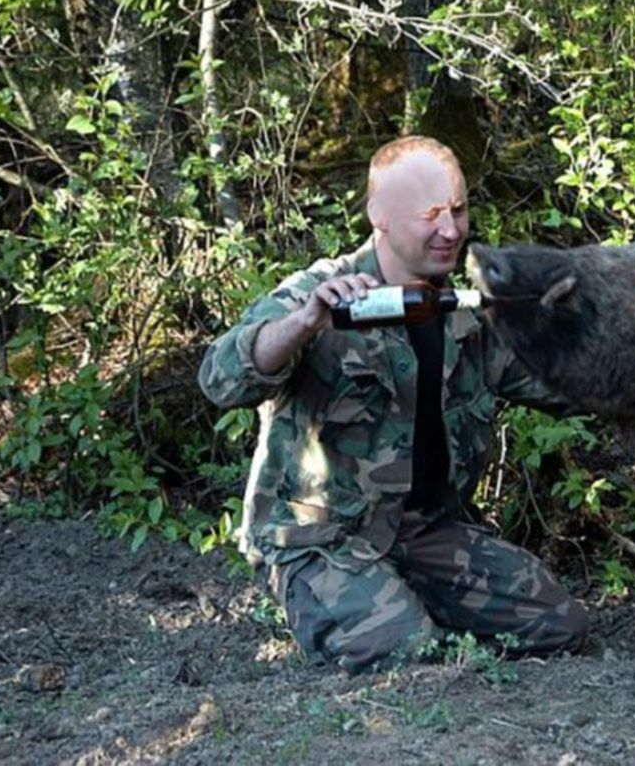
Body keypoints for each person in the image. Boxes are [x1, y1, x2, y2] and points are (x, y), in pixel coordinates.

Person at [198, 136, 588, 673]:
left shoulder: (467, 311)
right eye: (430, 215)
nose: (450, 230)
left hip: (422, 532)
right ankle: (342, 604)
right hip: (320, 538)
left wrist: (591, 328)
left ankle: (393, 603)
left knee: (559, 624)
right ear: (379, 218)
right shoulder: (320, 294)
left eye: (458, 210)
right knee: (405, 653)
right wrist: (305, 324)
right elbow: (221, 380)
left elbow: (566, 389)